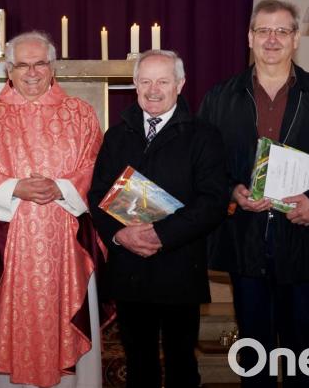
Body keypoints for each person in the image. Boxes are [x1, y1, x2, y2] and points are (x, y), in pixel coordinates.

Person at [197, 0, 309, 387]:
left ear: (296, 39)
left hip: (303, 237)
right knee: (253, 348)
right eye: (263, 30)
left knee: (300, 348)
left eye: (281, 31)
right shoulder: (220, 98)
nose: (271, 39)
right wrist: (232, 191)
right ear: (249, 38)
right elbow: (202, 163)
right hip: (245, 238)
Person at [0, 31, 109, 388]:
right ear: (8, 70)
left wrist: (62, 187)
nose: (32, 72)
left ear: (52, 67)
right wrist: (15, 188)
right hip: (7, 243)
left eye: (40, 63)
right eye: (22, 64)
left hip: (65, 245)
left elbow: (95, 164)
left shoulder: (80, 114)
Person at [87, 50, 229, 387]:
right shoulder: (116, 136)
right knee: (139, 365)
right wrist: (120, 236)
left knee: (182, 364)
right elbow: (97, 196)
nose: (154, 90)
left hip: (179, 266)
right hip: (129, 269)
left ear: (180, 84)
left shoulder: (204, 136)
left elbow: (213, 202)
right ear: (134, 85)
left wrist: (160, 234)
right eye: (146, 81)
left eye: (163, 81)